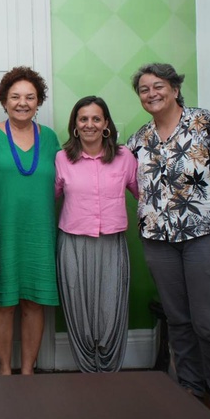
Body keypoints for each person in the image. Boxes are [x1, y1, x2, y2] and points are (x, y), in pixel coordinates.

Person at [127, 63, 210, 419]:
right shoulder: (139, 139)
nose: (151, 93)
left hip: (208, 236)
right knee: (178, 321)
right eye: (144, 89)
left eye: (158, 86)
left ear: (175, 89)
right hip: (158, 241)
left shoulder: (207, 124)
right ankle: (191, 392)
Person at [0, 66, 60, 375]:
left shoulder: (50, 138)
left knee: (34, 303)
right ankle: (4, 371)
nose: (22, 103)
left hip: (39, 234)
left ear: (39, 101)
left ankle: (27, 371)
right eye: (15, 97)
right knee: (4, 302)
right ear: (4, 101)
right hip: (2, 234)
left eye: (30, 97)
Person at [55, 96, 138, 373]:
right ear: (75, 125)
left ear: (106, 124)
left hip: (111, 244)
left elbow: (145, 196)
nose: (89, 124)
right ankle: (87, 374)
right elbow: (47, 198)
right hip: (73, 245)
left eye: (96, 118)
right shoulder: (62, 158)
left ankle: (109, 374)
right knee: (79, 312)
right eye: (83, 119)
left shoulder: (125, 157)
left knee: (111, 311)